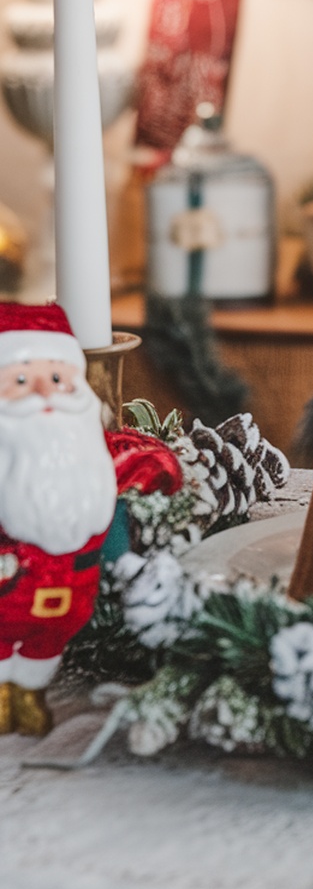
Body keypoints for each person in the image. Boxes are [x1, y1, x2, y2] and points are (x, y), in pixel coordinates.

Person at [0, 302, 180, 734]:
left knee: (47, 642)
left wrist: (125, 564)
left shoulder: (98, 460)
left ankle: (27, 693)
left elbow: (111, 511)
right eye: (22, 380)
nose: (44, 391)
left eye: (58, 378)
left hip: (70, 591)